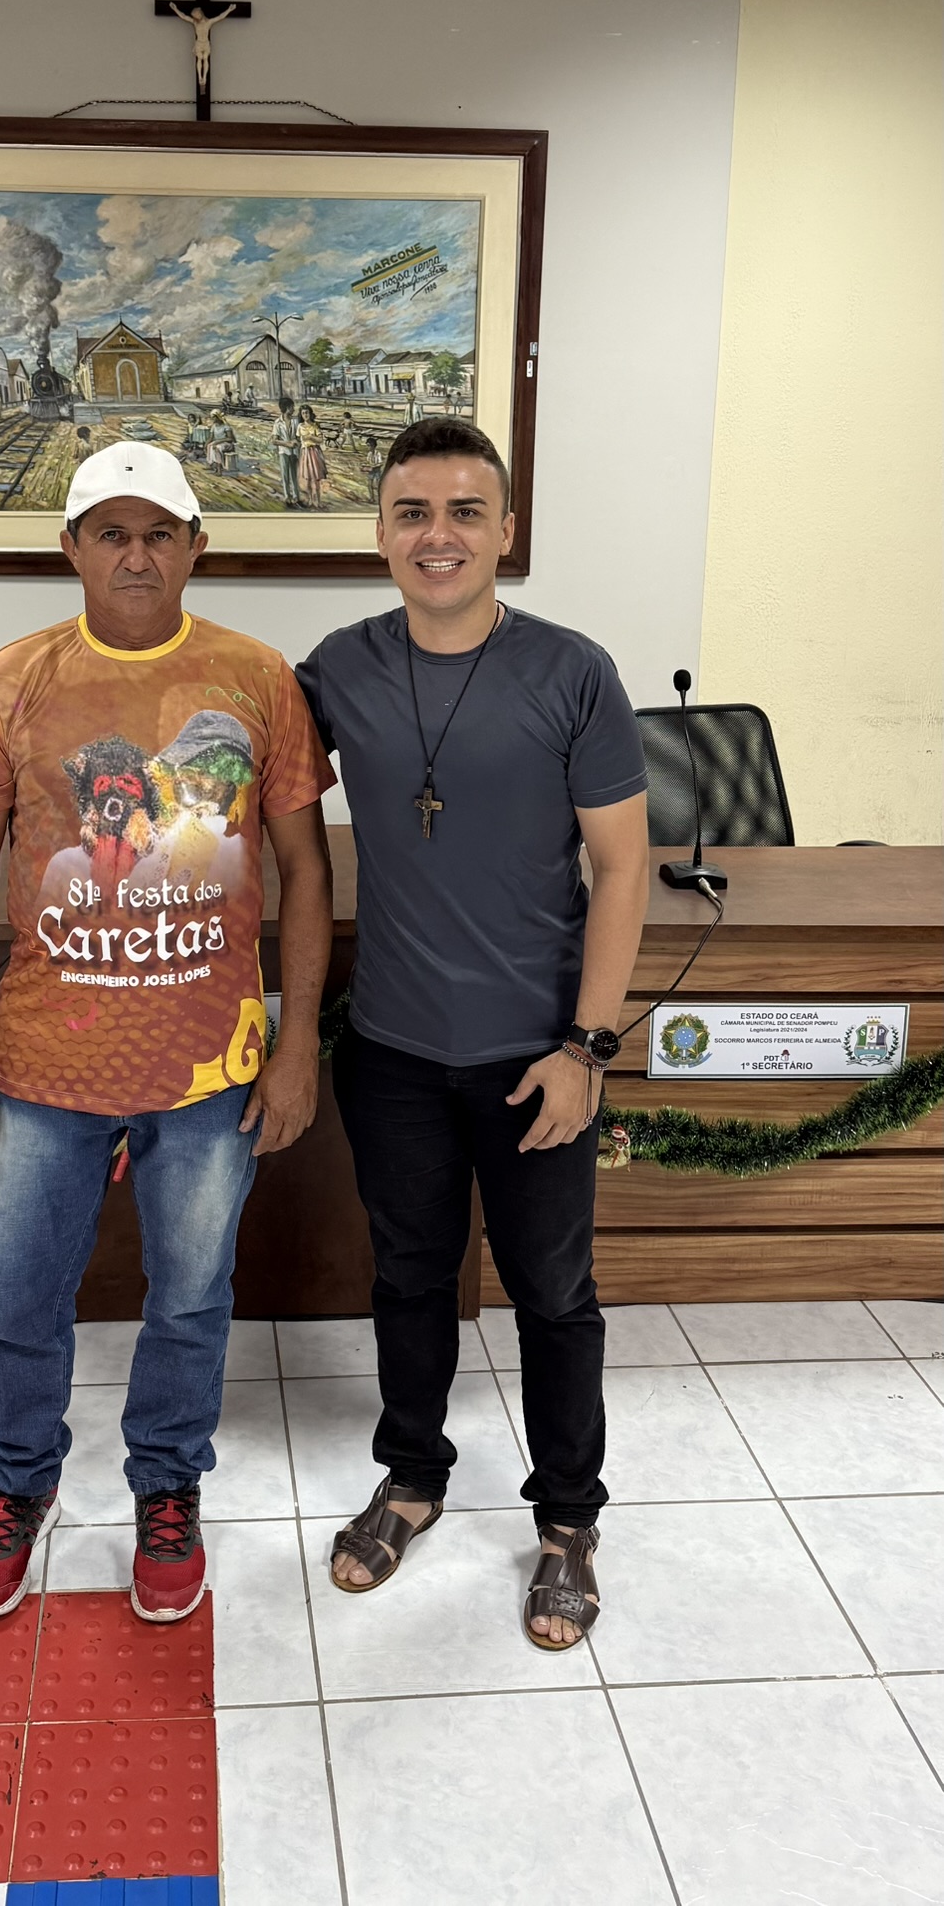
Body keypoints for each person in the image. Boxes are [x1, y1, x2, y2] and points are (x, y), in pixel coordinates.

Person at [0, 440, 334, 1623]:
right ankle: (18, 1482)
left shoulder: (258, 679)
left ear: (197, 546)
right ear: (72, 548)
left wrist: (296, 1044)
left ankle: (167, 1485)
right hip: (45, 1061)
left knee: (192, 1299)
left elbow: (307, 873)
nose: (137, 555)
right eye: (111, 533)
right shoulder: (8, 682)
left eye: (160, 533)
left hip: (207, 1064)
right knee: (23, 1297)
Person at [296, 416, 648, 1650]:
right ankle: (411, 1479)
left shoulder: (572, 672)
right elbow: (233, 782)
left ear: (505, 530)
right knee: (408, 1276)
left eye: (462, 512)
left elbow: (623, 868)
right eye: (411, 512)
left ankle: (567, 1520)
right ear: (379, 534)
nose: (435, 535)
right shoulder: (338, 667)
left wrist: (586, 1049)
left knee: (552, 1294)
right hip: (392, 1050)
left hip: (535, 1057)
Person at [296, 403, 328, 509]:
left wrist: (310, 437)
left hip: (314, 452)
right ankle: (310, 500)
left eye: (307, 413)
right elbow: (298, 440)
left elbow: (320, 440)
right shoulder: (300, 426)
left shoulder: (315, 425)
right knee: (308, 478)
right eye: (303, 413)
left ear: (310, 414)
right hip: (305, 453)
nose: (305, 415)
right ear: (301, 415)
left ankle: (318, 501)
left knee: (316, 478)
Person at [271, 395, 301, 508]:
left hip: (295, 452)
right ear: (287, 408)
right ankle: (287, 498)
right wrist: (287, 444)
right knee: (285, 476)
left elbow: (299, 436)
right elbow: (274, 440)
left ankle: (296, 497)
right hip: (283, 452)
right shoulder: (278, 422)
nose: (293, 409)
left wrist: (296, 441)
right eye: (292, 407)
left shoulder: (295, 421)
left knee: (294, 475)